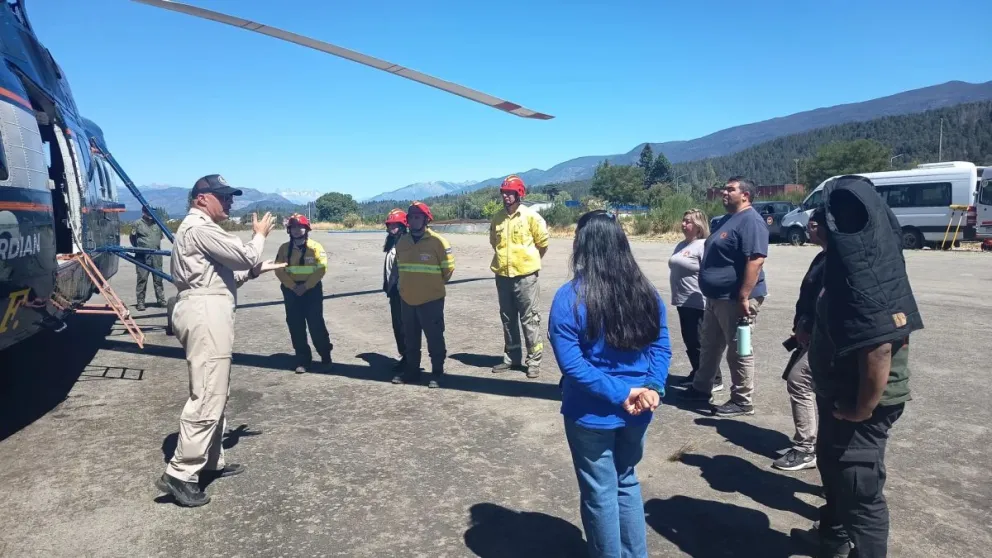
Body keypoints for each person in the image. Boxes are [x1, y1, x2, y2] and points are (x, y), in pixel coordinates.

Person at [807, 175, 922, 558]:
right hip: (838, 393)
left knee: (859, 487)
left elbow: (877, 350)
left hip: (859, 402)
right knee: (835, 468)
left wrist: (863, 408)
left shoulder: (866, 271)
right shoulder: (850, 260)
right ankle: (834, 536)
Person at [154, 174, 284, 508]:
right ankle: (181, 473)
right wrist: (258, 239)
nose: (229, 202)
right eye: (223, 197)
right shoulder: (200, 227)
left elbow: (225, 273)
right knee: (209, 391)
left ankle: (210, 462)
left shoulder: (198, 229)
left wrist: (258, 268)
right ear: (201, 198)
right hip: (205, 312)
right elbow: (244, 257)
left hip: (205, 306)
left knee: (215, 389)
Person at [548, 210, 671, 558]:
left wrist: (624, 393)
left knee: (600, 492)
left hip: (592, 413)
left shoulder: (569, 297)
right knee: (626, 481)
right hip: (639, 410)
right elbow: (661, 345)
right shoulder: (646, 291)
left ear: (581, 245)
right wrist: (652, 387)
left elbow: (572, 364)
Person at [679, 176, 768, 417]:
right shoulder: (730, 220)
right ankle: (701, 388)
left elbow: (756, 259)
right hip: (717, 298)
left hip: (736, 300)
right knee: (709, 345)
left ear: (746, 195)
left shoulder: (751, 221)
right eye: (724, 189)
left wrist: (744, 297)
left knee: (739, 349)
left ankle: (742, 400)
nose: (724, 193)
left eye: (730, 189)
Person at [773, 208, 826, 472]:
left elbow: (825, 303)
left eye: (814, 224)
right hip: (809, 332)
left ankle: (807, 448)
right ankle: (814, 444)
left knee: (799, 380)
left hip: (821, 336)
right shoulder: (822, 257)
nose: (809, 228)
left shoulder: (836, 261)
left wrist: (809, 326)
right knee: (805, 382)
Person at [489, 175, 550, 378]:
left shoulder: (531, 217)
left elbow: (542, 243)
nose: (506, 196)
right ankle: (511, 357)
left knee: (530, 319)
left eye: (510, 192)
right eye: (504, 192)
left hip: (525, 277)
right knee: (507, 318)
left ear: (519, 194)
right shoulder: (497, 218)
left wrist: (530, 263)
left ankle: (534, 361)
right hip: (503, 276)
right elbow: (494, 243)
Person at [391, 201, 455, 389]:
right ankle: (412, 371)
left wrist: (432, 286)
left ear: (426, 219)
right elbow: (398, 266)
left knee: (434, 337)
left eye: (418, 216)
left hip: (431, 300)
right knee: (410, 338)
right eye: (411, 217)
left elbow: (448, 270)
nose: (414, 220)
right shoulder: (402, 242)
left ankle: (437, 372)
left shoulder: (438, 242)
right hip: (407, 299)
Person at [668, 208, 722, 393]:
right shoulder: (682, 245)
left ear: (699, 226)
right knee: (690, 340)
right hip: (682, 300)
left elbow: (710, 272)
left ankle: (714, 378)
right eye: (683, 220)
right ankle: (697, 372)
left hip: (697, 301)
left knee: (701, 341)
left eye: (688, 221)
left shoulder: (703, 245)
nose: (684, 224)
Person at [274, 213, 333, 374]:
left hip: (311, 290)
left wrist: (306, 286)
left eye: (300, 227)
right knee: (295, 325)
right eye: (293, 227)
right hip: (291, 291)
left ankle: (325, 355)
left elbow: (321, 269)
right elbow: (279, 270)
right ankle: (303, 359)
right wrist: (292, 286)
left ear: (306, 229)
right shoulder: (284, 249)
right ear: (289, 230)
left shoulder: (315, 247)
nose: (296, 230)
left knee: (316, 324)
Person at [382, 208, 408, 371]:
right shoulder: (392, 242)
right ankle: (404, 355)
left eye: (395, 224)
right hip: (394, 292)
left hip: (403, 291)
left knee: (405, 326)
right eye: (390, 225)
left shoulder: (406, 242)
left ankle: (409, 358)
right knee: (397, 325)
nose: (392, 228)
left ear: (403, 225)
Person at [130, 206, 166, 311]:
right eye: (148, 212)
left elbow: (160, 237)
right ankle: (141, 302)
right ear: (143, 212)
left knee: (158, 279)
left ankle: (161, 300)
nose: (150, 215)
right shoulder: (137, 224)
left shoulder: (158, 224)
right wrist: (140, 248)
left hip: (156, 256)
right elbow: (132, 239)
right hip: (142, 256)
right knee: (142, 279)